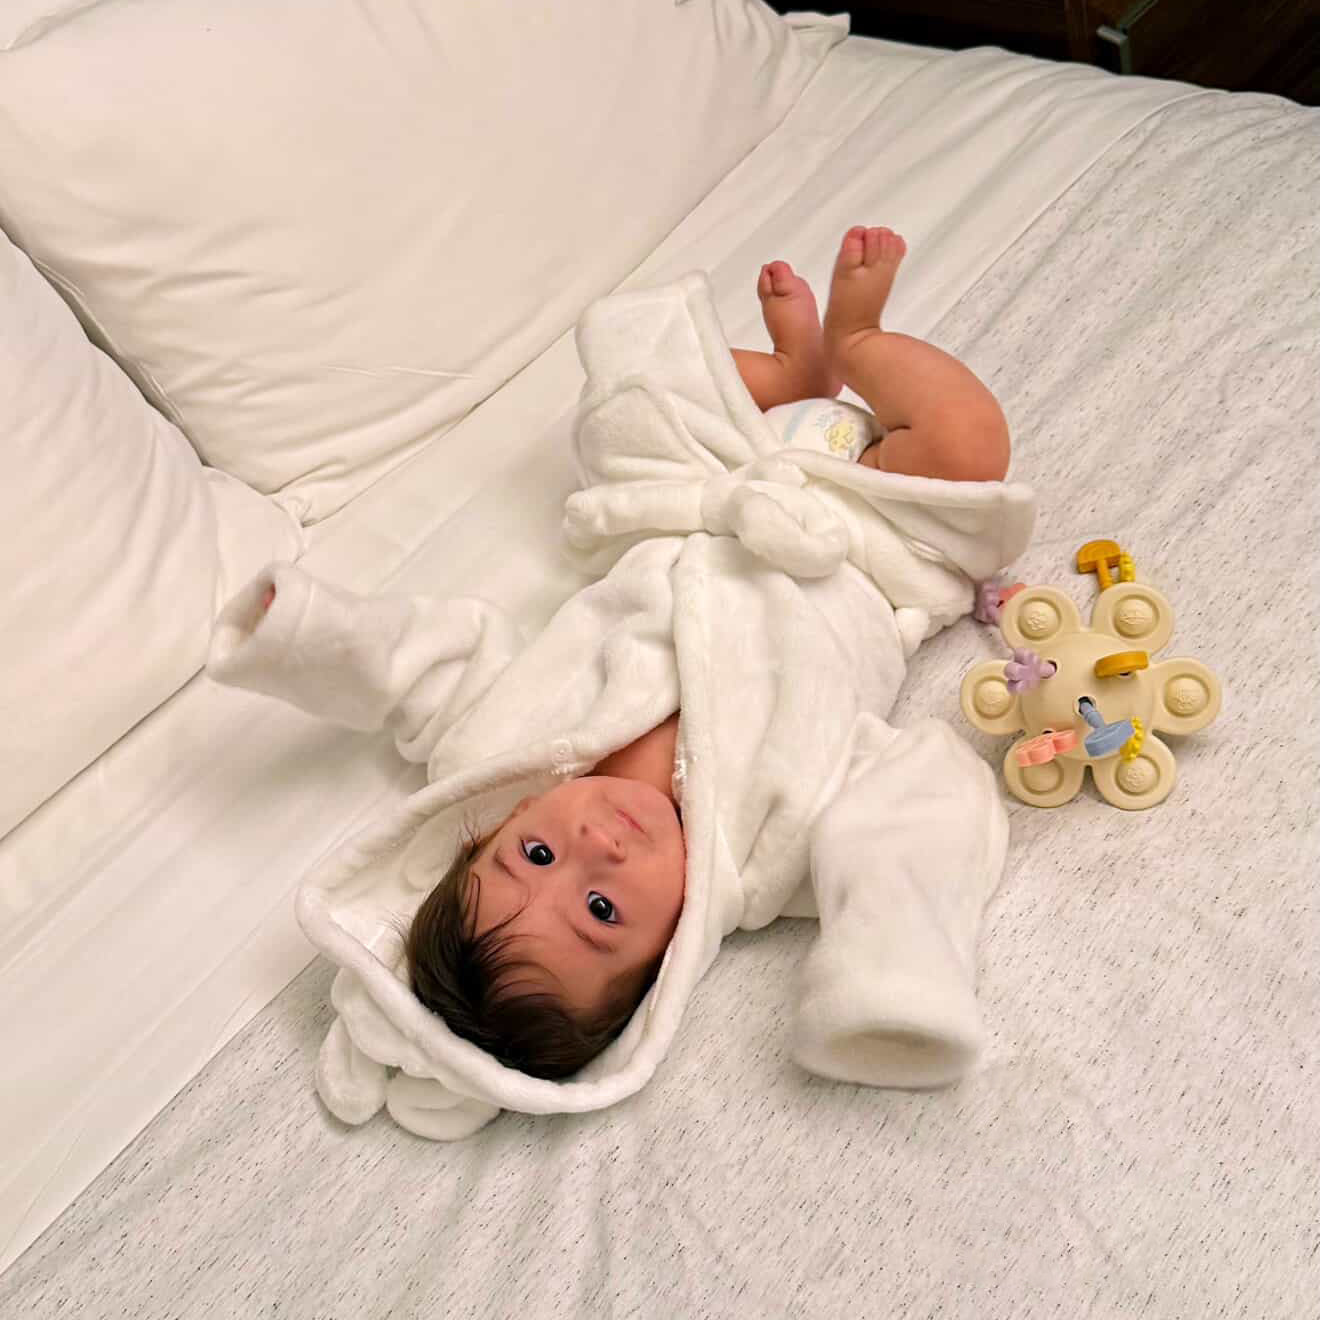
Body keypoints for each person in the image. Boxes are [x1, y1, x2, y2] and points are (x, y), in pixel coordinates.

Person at [237, 226, 1013, 1083]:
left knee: (624, 402)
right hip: (865, 536)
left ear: (488, 833)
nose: (596, 844)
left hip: (693, 492)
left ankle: (798, 374)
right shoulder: (765, 861)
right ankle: (858, 338)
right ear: (664, 962)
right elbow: (916, 820)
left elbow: (424, 668)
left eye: (535, 855)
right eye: (602, 909)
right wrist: (892, 978)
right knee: (969, 446)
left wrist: (300, 634)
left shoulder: (498, 748)